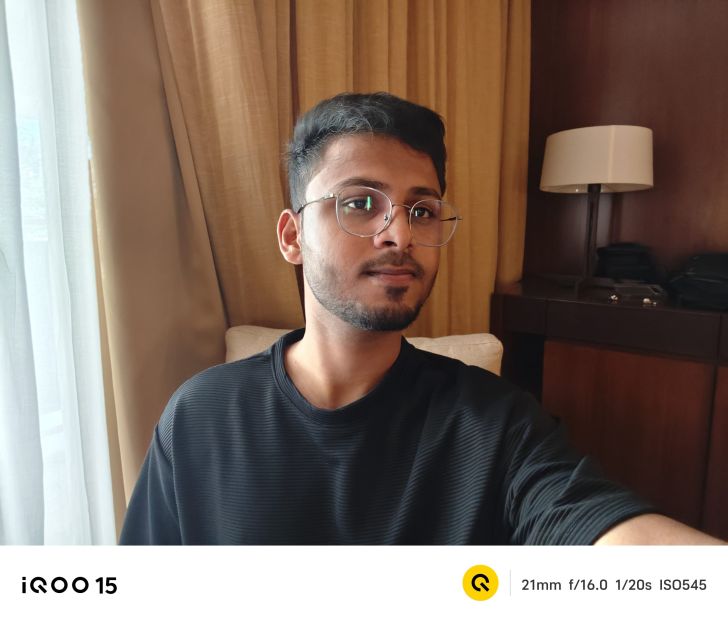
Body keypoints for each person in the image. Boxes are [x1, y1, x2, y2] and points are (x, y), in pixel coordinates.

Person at [120, 92, 722, 545]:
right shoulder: (200, 416)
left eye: (422, 209)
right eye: (360, 203)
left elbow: (601, 531)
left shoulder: (495, 425)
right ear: (292, 236)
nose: (400, 235)